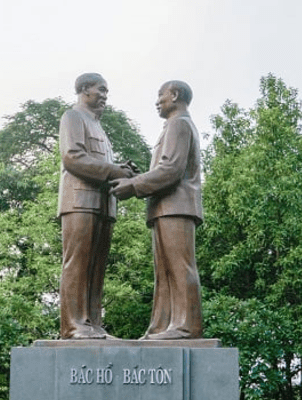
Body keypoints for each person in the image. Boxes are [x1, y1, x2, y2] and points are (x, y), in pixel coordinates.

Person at [110, 80, 203, 340]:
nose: (157, 101)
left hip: (177, 206)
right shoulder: (173, 126)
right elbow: (164, 170)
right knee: (164, 272)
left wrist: (134, 185)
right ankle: (162, 326)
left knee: (179, 266)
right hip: (164, 207)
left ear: (174, 95)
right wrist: (139, 179)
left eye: (160, 95)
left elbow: (171, 170)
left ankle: (186, 326)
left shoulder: (179, 124)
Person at [58, 72, 135, 339]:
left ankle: (93, 324)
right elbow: (72, 158)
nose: (104, 96)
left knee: (96, 267)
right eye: (100, 90)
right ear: (83, 89)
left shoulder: (99, 126)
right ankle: (73, 325)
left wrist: (121, 171)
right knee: (77, 264)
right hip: (79, 200)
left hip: (103, 204)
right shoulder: (73, 117)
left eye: (106, 91)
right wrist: (114, 171)